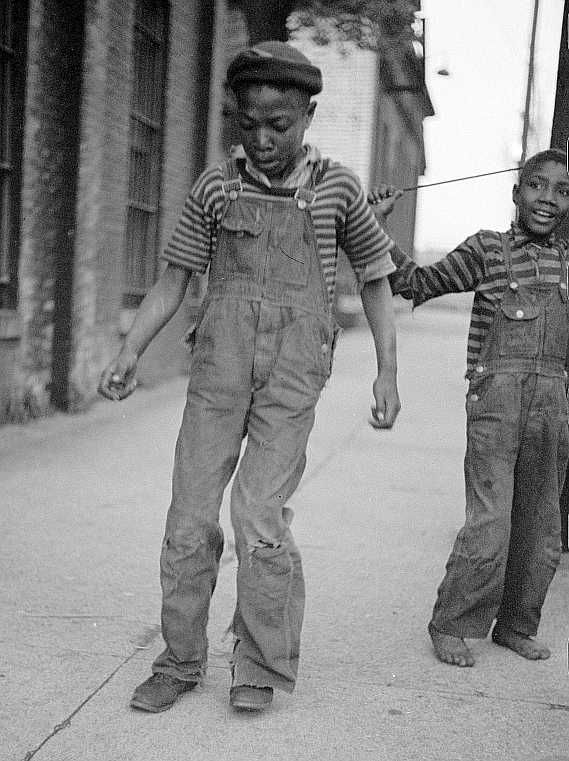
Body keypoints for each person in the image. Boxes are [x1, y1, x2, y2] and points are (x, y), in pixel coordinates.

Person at [99, 41, 400, 713]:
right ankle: (179, 659)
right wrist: (129, 350)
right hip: (219, 371)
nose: (262, 139)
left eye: (280, 125)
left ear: (309, 115)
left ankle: (259, 661)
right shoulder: (214, 186)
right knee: (188, 518)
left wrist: (387, 370)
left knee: (258, 516)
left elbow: (377, 281)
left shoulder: (339, 189)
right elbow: (174, 279)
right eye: (249, 124)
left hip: (293, 376)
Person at [369, 149, 569, 667]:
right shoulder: (487, 249)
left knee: (542, 527)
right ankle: (453, 622)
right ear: (515, 192)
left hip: (552, 411)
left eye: (561, 190)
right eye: (536, 185)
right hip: (496, 409)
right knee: (491, 523)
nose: (548, 198)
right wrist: (375, 228)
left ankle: (517, 625)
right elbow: (413, 282)